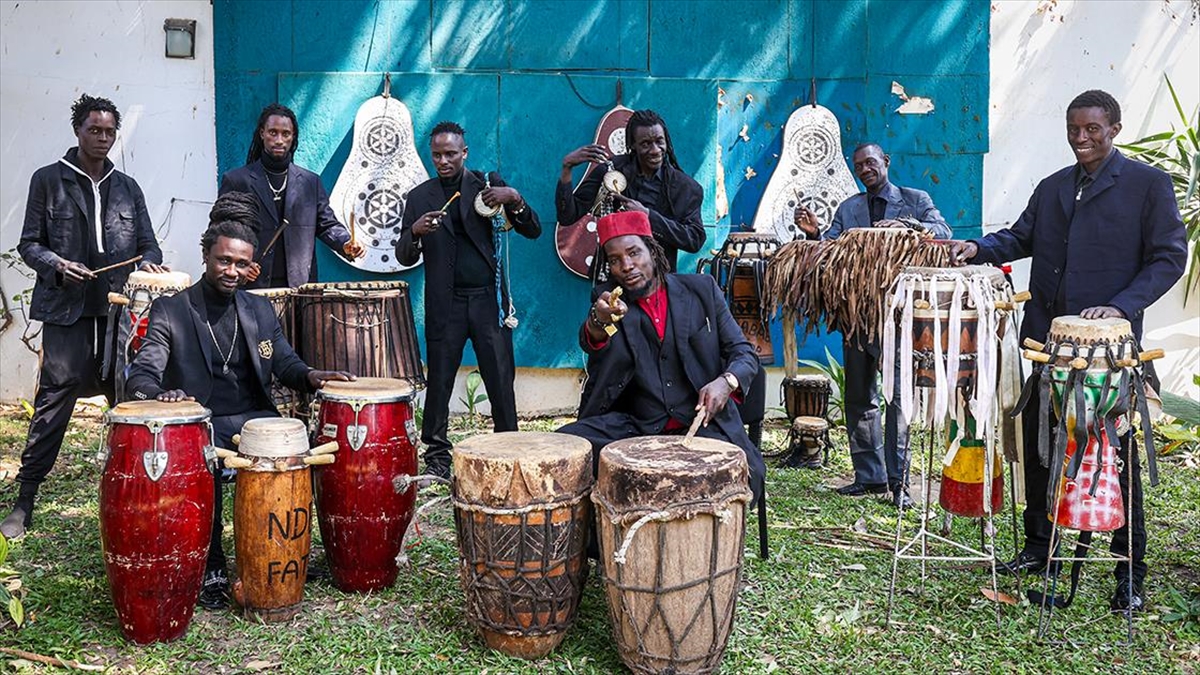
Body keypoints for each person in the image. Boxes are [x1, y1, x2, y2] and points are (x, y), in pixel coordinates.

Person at [947, 90, 1186, 612]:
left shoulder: (1148, 185)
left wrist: (1122, 306)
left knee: (1114, 461)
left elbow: (1170, 257)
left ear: (1115, 128)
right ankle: (1040, 548)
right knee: (1040, 449)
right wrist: (976, 248)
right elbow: (1018, 238)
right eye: (1074, 128)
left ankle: (1129, 572)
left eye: (1093, 129)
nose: (1081, 138)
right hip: (1045, 347)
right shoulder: (1054, 187)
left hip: (1109, 356)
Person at [125, 192, 353, 608]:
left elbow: (284, 362)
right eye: (224, 260)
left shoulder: (259, 310)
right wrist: (162, 396)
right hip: (203, 425)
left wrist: (314, 376)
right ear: (206, 256)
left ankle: (283, 552)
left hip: (253, 421)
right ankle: (212, 566)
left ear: (252, 266)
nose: (232, 270)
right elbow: (139, 378)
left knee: (299, 453)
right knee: (204, 469)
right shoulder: (171, 311)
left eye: (241, 263)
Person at [1, 94, 166, 540]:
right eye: (95, 130)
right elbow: (29, 244)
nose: (103, 138)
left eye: (110, 131)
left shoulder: (128, 187)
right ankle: (26, 497)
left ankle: (142, 489)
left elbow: (150, 246)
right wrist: (57, 264)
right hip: (66, 308)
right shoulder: (49, 180)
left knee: (128, 395)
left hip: (117, 312)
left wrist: (148, 264)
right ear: (78, 131)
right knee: (56, 398)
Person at [557, 210, 765, 504]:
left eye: (634, 253)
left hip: (703, 426)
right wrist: (598, 320)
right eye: (615, 260)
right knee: (565, 449)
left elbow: (744, 353)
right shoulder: (608, 301)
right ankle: (599, 545)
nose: (626, 266)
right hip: (635, 426)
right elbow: (592, 339)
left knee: (735, 475)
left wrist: (726, 381)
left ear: (652, 252)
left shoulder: (702, 291)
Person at [796, 143, 952, 508]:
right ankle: (869, 477)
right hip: (856, 319)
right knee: (858, 397)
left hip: (899, 318)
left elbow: (941, 230)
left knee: (897, 400)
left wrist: (906, 225)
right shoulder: (848, 208)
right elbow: (830, 251)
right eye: (859, 165)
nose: (865, 169)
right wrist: (814, 235)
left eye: (871, 162)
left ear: (886, 161)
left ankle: (899, 484)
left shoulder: (914, 199)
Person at [394, 121, 541, 480]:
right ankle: (438, 458)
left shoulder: (488, 186)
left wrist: (515, 199)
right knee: (440, 380)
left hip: (488, 302)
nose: (443, 160)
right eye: (437, 155)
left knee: (500, 377)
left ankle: (507, 449)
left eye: (450, 154)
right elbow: (402, 255)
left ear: (464, 153)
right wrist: (415, 232)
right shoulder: (419, 197)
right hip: (445, 303)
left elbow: (533, 229)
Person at [218, 103, 365, 289]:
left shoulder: (311, 182)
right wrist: (241, 265)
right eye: (273, 132)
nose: (279, 140)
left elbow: (327, 224)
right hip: (252, 285)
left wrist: (345, 242)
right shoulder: (237, 180)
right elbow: (223, 232)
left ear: (293, 137)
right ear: (262, 133)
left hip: (300, 288)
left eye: (286, 134)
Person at [556, 109, 705, 276]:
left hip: (658, 283)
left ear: (667, 141)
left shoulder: (686, 188)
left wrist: (647, 216)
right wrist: (567, 168)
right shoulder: (611, 171)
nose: (655, 150)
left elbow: (694, 239)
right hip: (612, 279)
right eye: (646, 144)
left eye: (659, 141)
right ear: (632, 145)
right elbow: (567, 215)